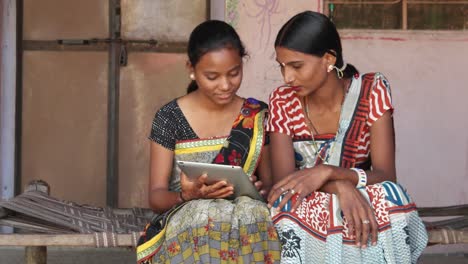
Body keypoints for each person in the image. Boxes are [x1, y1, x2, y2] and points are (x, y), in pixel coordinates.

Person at [266, 11, 428, 263]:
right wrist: (339, 186)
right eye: (282, 66)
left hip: (362, 194)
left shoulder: (371, 91)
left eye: (296, 66)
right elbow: (284, 183)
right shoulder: (282, 100)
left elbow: (386, 175)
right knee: (285, 208)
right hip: (306, 202)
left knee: (390, 198)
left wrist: (330, 171)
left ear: (328, 59)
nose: (287, 77)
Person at [136, 20, 281, 264]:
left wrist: (259, 190)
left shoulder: (256, 115)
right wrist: (187, 196)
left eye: (234, 73)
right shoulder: (170, 117)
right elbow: (156, 196)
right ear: (191, 69)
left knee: (255, 215)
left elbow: (271, 186)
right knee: (204, 216)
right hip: (189, 217)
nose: (225, 85)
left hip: (245, 216)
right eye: (212, 76)